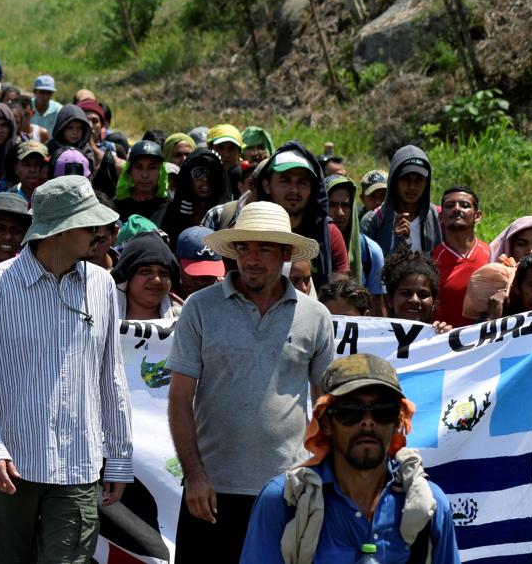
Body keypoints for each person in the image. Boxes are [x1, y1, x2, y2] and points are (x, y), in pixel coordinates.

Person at [0, 175, 132, 562]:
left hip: (79, 467)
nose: (99, 232)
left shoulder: (102, 284)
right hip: (12, 467)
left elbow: (112, 377)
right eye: (89, 224)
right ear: (60, 230)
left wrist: (119, 457)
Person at [167, 201, 333, 562]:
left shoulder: (316, 316)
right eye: (244, 247)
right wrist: (194, 476)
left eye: (264, 248)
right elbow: (180, 398)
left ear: (286, 253)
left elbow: (325, 407)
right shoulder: (199, 307)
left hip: (286, 489)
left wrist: (319, 477)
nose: (252, 259)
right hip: (211, 490)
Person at [241, 354, 460, 563]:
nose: (367, 422)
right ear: (326, 423)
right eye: (350, 410)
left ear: (397, 422)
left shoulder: (430, 505)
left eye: (383, 410)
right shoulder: (285, 500)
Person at [254, 144, 349, 289]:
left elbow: (338, 296)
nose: (294, 190)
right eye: (285, 181)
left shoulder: (329, 235)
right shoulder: (249, 232)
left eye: (302, 183)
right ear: (267, 185)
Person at [361, 146, 441, 255]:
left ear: (426, 182)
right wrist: (395, 241)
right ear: (394, 181)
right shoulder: (373, 221)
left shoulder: (436, 216)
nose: (412, 186)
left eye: (419, 179)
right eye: (405, 178)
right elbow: (366, 268)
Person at [325, 175, 386, 313]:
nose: (340, 213)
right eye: (332, 205)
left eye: (345, 206)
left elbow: (377, 309)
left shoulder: (371, 251)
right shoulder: (309, 247)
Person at [430, 186, 489, 327]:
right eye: (450, 206)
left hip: (486, 345)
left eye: (464, 205)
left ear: (478, 216)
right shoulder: (430, 261)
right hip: (443, 343)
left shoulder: (493, 255)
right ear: (441, 217)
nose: (456, 209)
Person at [160, 149, 233, 243]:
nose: (206, 179)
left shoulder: (228, 217)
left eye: (212, 173)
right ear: (187, 178)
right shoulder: (171, 214)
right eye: (198, 173)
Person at [113, 231, 183, 319]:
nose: (157, 280)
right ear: (128, 277)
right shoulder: (103, 316)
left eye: (164, 273)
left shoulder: (184, 319)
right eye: (145, 271)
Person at [381, 247, 449, 332]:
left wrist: (447, 339)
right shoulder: (372, 339)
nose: (415, 300)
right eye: (406, 293)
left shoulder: (441, 338)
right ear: (390, 299)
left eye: (423, 295)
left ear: (434, 302)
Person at [114, 140, 170, 222]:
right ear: (129, 172)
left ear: (161, 172)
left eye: (152, 167)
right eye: (138, 167)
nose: (145, 175)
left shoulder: (170, 207)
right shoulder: (116, 208)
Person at [174, 226, 225, 299]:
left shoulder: (227, 291)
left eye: (208, 276)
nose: (200, 282)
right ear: (177, 263)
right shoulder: (163, 295)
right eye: (194, 275)